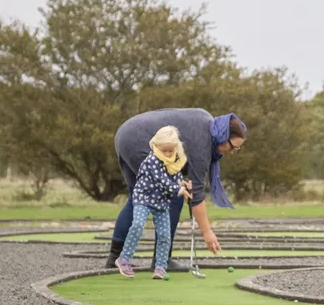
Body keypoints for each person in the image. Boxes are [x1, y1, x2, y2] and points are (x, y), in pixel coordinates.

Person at [105, 109, 247, 271]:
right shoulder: (203, 142)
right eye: (232, 147)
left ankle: (115, 259)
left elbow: (192, 185)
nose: (232, 152)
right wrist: (207, 233)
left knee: (137, 197)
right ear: (223, 135)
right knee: (174, 195)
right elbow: (197, 196)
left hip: (126, 133)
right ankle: (162, 260)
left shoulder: (208, 125)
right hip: (139, 140)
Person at [114, 126, 193, 280]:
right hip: (143, 198)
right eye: (165, 151)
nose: (168, 154)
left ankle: (160, 266)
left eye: (171, 151)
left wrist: (182, 184)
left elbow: (174, 179)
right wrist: (178, 190)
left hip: (161, 201)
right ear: (156, 147)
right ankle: (124, 259)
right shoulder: (152, 161)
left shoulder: (174, 161)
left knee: (164, 234)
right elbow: (162, 181)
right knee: (137, 225)